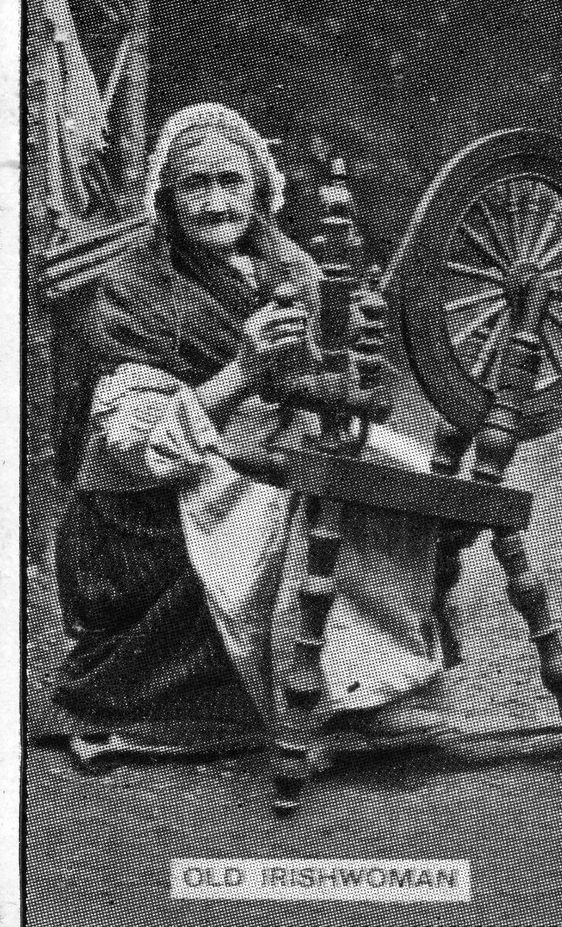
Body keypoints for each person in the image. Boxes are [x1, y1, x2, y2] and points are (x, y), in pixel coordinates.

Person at [50, 103, 452, 768]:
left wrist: (339, 382)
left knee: (401, 475)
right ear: (165, 198)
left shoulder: (284, 268)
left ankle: (376, 680)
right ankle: (333, 697)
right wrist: (242, 369)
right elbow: (131, 445)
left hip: (249, 457)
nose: (214, 204)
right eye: (195, 186)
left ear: (260, 190)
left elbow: (325, 380)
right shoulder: (134, 287)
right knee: (309, 507)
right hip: (149, 506)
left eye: (230, 183)